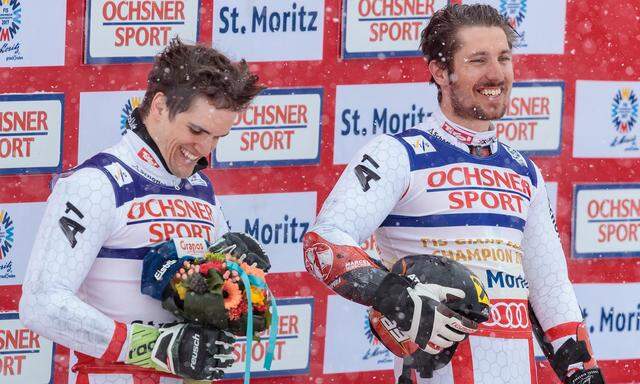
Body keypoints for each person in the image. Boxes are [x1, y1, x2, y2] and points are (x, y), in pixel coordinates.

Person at [303, 4, 604, 384]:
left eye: (503, 58)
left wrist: (585, 372)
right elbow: (323, 242)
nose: (496, 73)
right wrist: (394, 294)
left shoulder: (523, 171)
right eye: (478, 60)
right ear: (440, 71)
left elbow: (550, 288)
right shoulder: (398, 154)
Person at [19, 39, 264, 384]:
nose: (206, 149)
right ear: (161, 106)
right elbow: (41, 305)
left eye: (218, 138)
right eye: (196, 131)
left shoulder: (201, 189)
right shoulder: (95, 184)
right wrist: (155, 346)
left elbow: (212, 310)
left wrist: (239, 273)